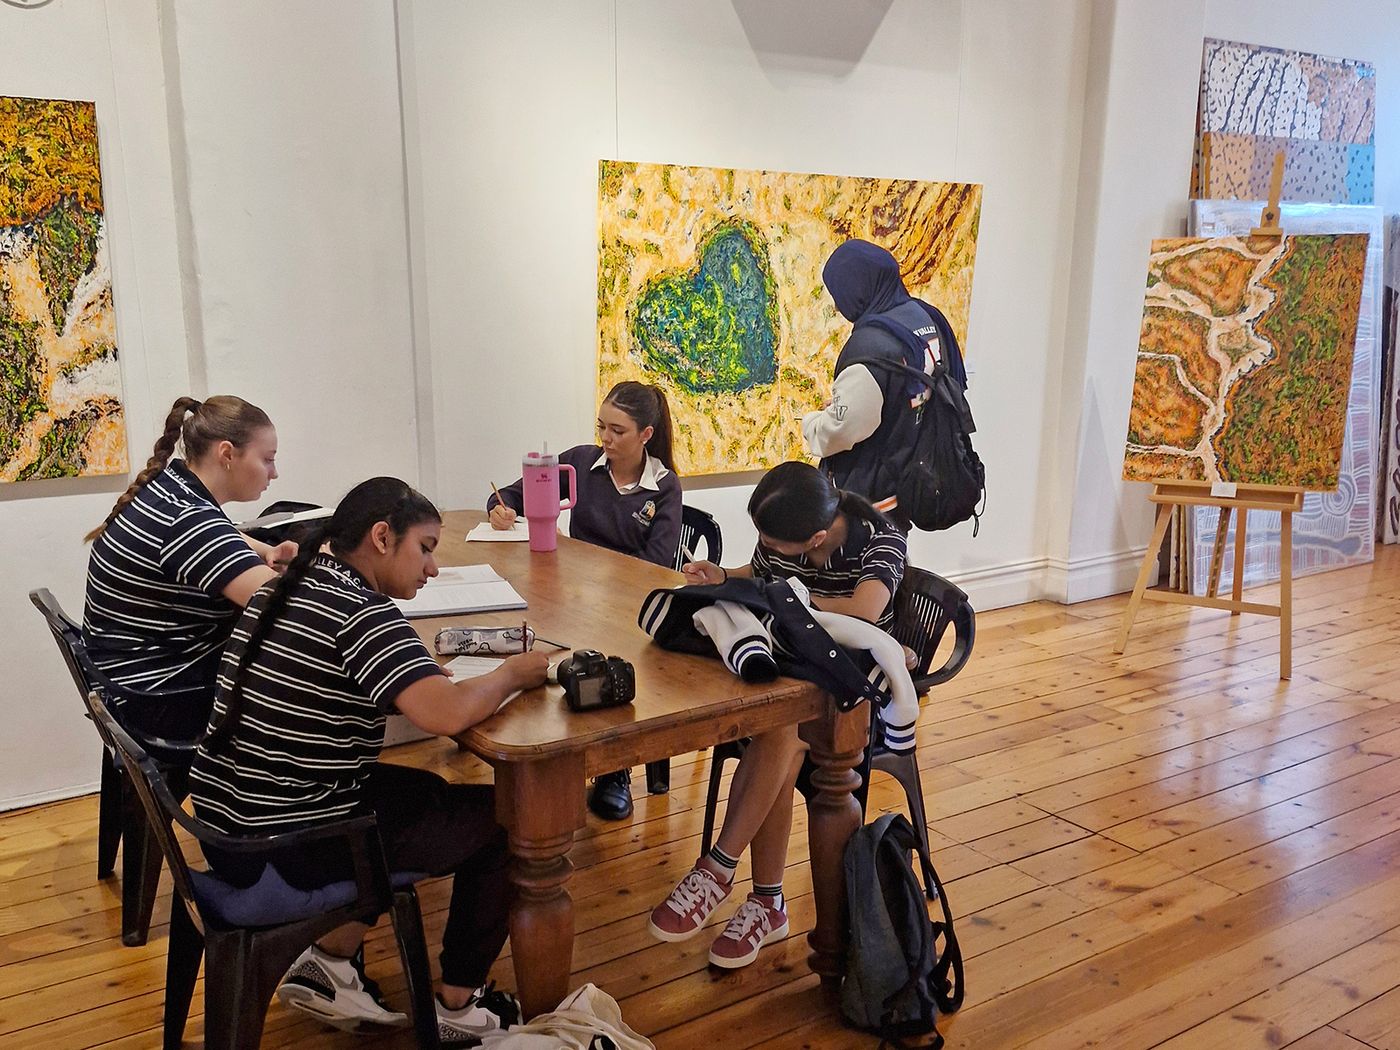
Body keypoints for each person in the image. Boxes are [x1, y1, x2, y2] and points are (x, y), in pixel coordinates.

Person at [189, 477, 549, 1039]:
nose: (432, 569)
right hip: (285, 844)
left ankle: (331, 965)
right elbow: (446, 714)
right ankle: (459, 1008)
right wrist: (511, 674)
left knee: (427, 794)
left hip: (226, 821)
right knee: (511, 821)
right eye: (425, 548)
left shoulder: (292, 584)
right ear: (382, 537)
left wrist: (416, 683)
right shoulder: (364, 614)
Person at [650, 461, 906, 969]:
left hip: (857, 691)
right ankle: (765, 902)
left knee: (783, 732)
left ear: (815, 538)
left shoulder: (880, 540)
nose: (765, 545)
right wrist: (725, 576)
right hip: (798, 669)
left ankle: (722, 868)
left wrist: (790, 599)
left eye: (772, 540)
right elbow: (763, 576)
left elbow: (864, 611)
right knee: (782, 729)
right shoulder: (788, 526)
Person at [487, 380, 682, 820]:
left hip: (629, 606)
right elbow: (514, 494)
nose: (606, 439)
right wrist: (500, 509)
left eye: (618, 431)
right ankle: (554, 752)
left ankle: (614, 769)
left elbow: (657, 565)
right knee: (540, 642)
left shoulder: (663, 487)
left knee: (605, 660)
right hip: (574, 595)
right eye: (602, 428)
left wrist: (597, 573)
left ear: (646, 434)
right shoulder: (580, 462)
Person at [82, 395, 295, 739]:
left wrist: (264, 550)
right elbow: (291, 606)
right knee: (300, 667)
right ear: (227, 454)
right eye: (267, 459)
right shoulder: (188, 520)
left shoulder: (170, 488)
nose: (274, 472)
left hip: (125, 678)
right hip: (160, 698)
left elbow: (220, 533)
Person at [801, 239, 965, 531]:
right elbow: (905, 389)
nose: (838, 306)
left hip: (870, 497)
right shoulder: (925, 317)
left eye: (840, 293)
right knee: (892, 552)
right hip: (910, 477)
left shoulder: (869, 346)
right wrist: (857, 399)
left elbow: (844, 429)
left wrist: (812, 423)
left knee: (870, 557)